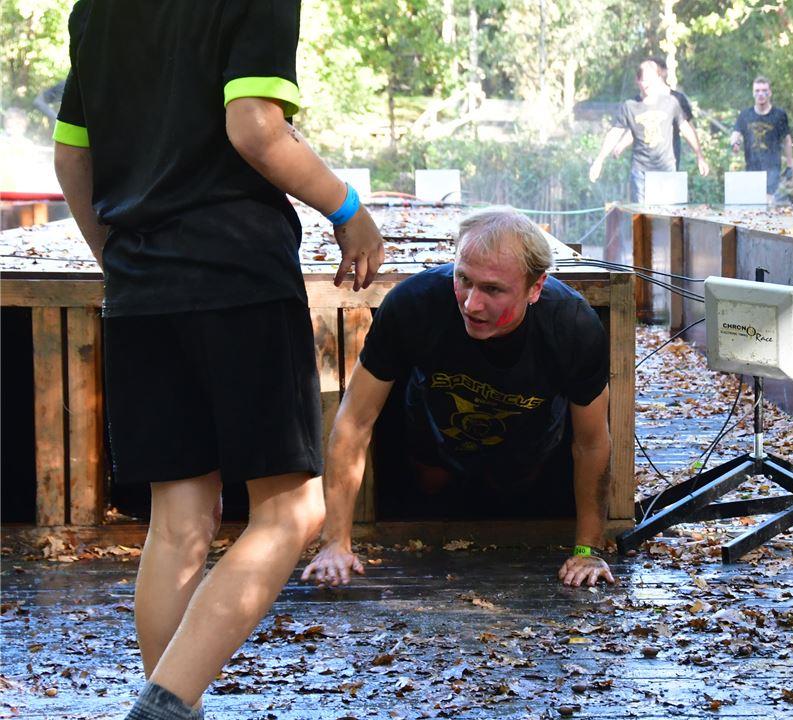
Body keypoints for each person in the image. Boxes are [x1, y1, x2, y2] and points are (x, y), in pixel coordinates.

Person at [52, 1, 385, 717]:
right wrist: (349, 209)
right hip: (238, 277)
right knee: (292, 510)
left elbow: (72, 156)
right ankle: (167, 704)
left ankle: (172, 707)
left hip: (141, 286)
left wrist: (122, 262)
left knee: (178, 521)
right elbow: (256, 128)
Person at [301, 207, 617, 590]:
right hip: (433, 436)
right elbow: (355, 420)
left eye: (493, 290)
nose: (471, 304)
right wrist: (335, 542)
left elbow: (591, 442)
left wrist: (587, 549)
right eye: (463, 279)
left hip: (529, 446)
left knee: (512, 487)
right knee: (431, 485)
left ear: (535, 288)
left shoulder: (571, 325)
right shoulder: (414, 304)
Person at [588, 60, 709, 203]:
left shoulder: (671, 102)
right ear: (637, 80)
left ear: (658, 79)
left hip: (666, 168)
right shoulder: (630, 106)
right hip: (640, 171)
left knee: (668, 213)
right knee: (641, 214)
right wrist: (600, 159)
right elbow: (615, 132)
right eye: (644, 80)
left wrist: (699, 156)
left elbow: (686, 128)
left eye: (651, 81)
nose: (647, 85)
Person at [609, 58, 697, 171]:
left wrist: (697, 152)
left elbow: (688, 127)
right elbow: (637, 128)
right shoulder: (639, 100)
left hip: (670, 154)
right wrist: (621, 144)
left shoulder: (676, 99)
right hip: (644, 159)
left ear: (663, 73)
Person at [729, 76, 793, 198]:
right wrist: (735, 143)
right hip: (751, 167)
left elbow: (787, 140)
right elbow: (736, 133)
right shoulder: (745, 115)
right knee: (754, 202)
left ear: (770, 93)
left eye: (764, 90)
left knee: (767, 200)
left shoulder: (779, 115)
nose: (760, 94)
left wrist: (789, 165)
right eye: (757, 91)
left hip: (772, 168)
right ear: (753, 93)